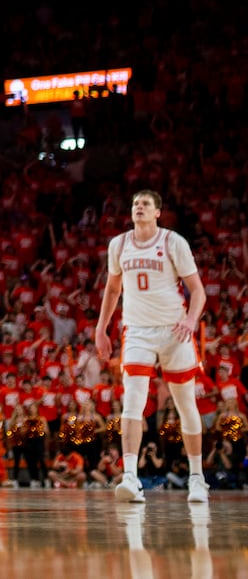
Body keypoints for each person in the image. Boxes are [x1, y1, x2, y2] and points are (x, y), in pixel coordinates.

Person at [95, 189, 208, 504]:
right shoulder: (118, 244)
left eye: (145, 204)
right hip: (138, 331)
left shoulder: (174, 242)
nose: (139, 207)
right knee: (131, 402)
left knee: (186, 405)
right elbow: (113, 287)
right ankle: (130, 477)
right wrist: (101, 327)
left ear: (158, 212)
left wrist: (191, 321)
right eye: (135, 203)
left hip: (175, 330)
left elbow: (198, 291)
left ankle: (197, 478)